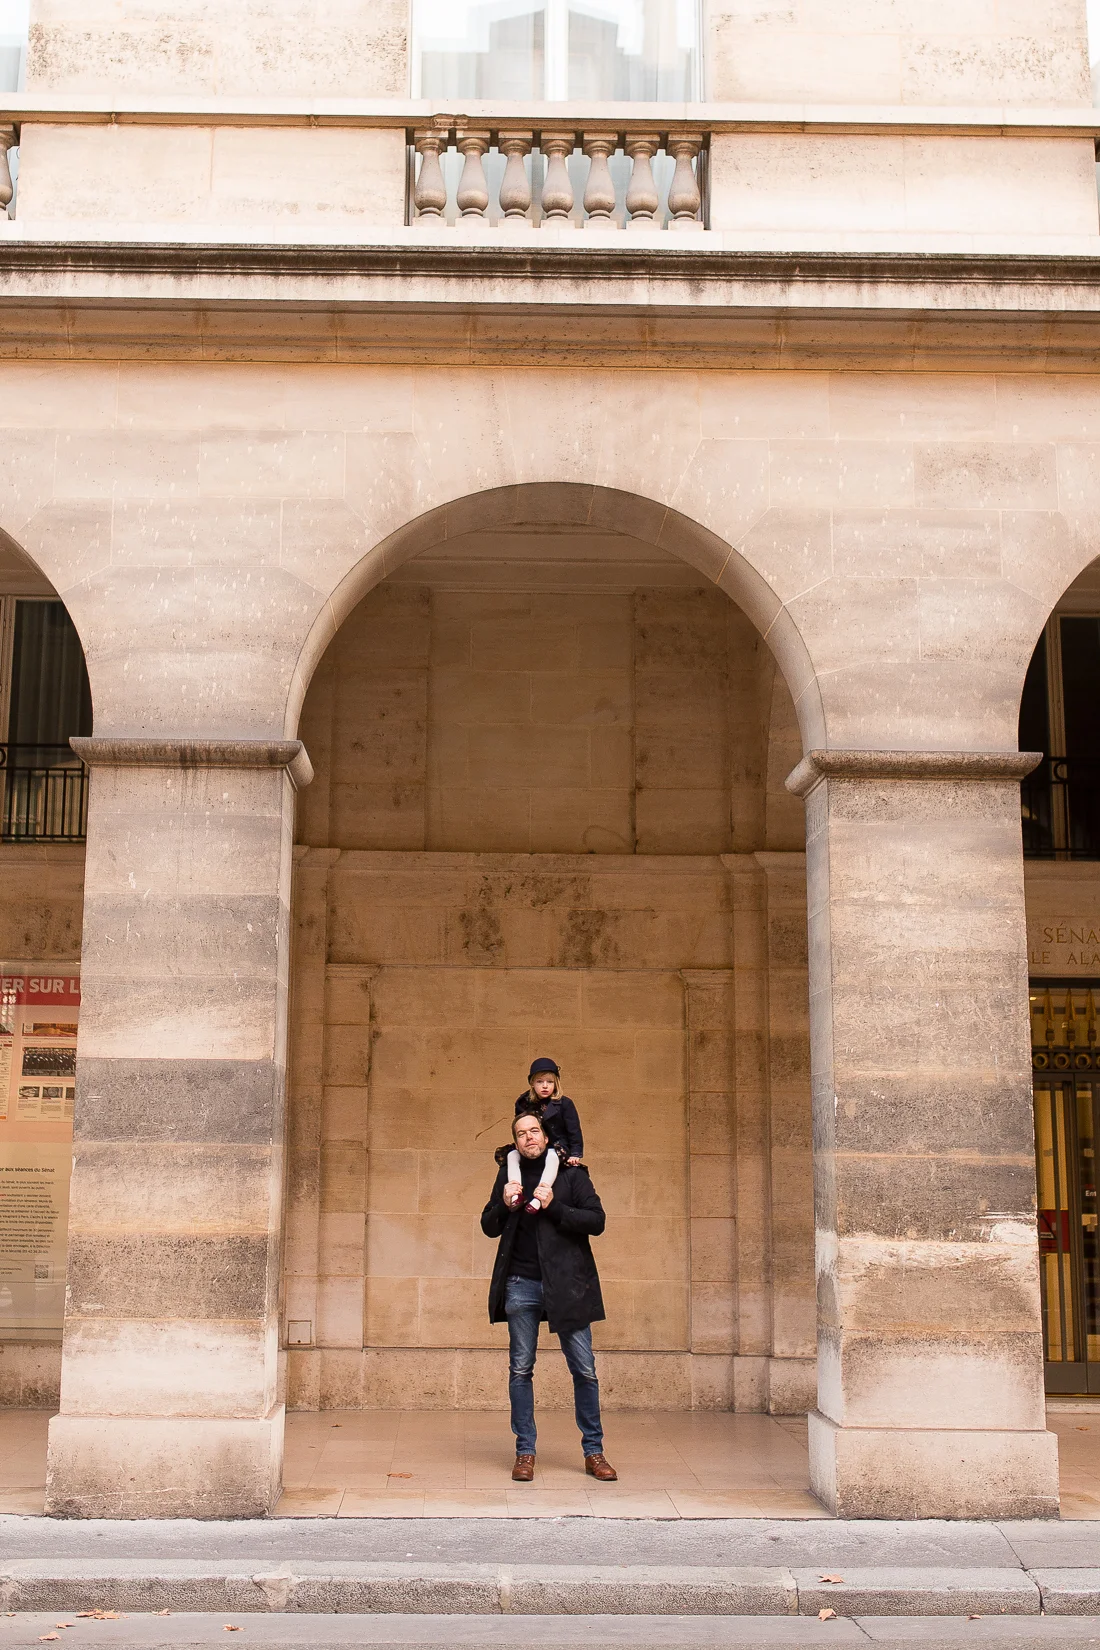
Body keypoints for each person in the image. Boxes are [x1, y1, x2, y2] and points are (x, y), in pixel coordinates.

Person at [481, 1109, 617, 1483]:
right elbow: (487, 1225)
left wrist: (554, 1205)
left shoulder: (572, 1174)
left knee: (585, 1370)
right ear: (516, 1141)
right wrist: (504, 1206)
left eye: (534, 1130)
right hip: (520, 1284)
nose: (529, 1137)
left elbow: (597, 1221)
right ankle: (525, 1452)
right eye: (521, 1133)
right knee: (521, 1370)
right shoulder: (507, 1176)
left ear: (545, 1135)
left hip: (567, 1285)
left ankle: (594, 1452)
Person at [497, 1056, 584, 1212]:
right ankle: (516, 1194)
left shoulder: (564, 1104)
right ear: (532, 1083)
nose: (545, 1086)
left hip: (557, 1145)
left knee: (551, 1156)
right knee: (511, 1156)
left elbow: (574, 1130)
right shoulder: (524, 1103)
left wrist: (576, 1153)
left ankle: (538, 1198)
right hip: (534, 1143)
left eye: (550, 1082)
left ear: (556, 1083)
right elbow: (520, 1126)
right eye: (540, 1082)